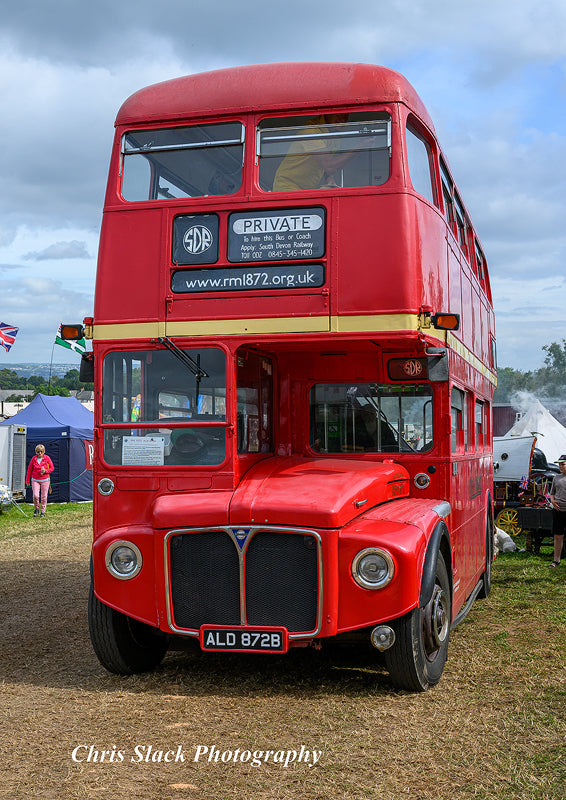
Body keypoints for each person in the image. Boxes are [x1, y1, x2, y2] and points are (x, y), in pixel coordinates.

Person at [273, 114, 357, 192]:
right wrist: (360, 147)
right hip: (287, 186)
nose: (343, 119)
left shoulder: (337, 131)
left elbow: (326, 162)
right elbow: (329, 166)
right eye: (339, 114)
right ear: (328, 112)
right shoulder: (310, 131)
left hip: (307, 189)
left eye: (346, 114)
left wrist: (329, 178)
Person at [26, 444, 54, 518]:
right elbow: (29, 470)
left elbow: (52, 468)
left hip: (45, 480)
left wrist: (46, 471)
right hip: (35, 480)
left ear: (44, 451)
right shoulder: (33, 459)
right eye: (38, 452)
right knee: (35, 495)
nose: (40, 453)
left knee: (44, 496)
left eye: (41, 451)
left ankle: (42, 511)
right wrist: (27, 480)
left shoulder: (47, 458)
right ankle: (36, 509)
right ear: (36, 452)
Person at [549, 454, 566, 567]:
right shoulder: (556, 478)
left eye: (563, 464)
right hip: (559, 511)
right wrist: (553, 502)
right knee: (558, 535)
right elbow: (552, 494)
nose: (560, 466)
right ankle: (556, 560)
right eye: (559, 464)